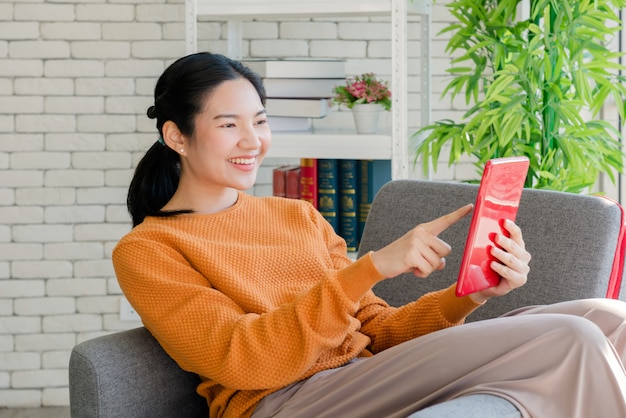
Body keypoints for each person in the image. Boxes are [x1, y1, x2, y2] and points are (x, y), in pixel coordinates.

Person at [112, 52, 626, 418]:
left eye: (261, 120)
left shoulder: (297, 216)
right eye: (228, 125)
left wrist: (470, 294)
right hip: (284, 402)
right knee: (570, 337)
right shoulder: (149, 250)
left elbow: (377, 333)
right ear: (176, 135)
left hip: (360, 377)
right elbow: (244, 359)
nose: (253, 141)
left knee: (608, 317)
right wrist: (373, 267)